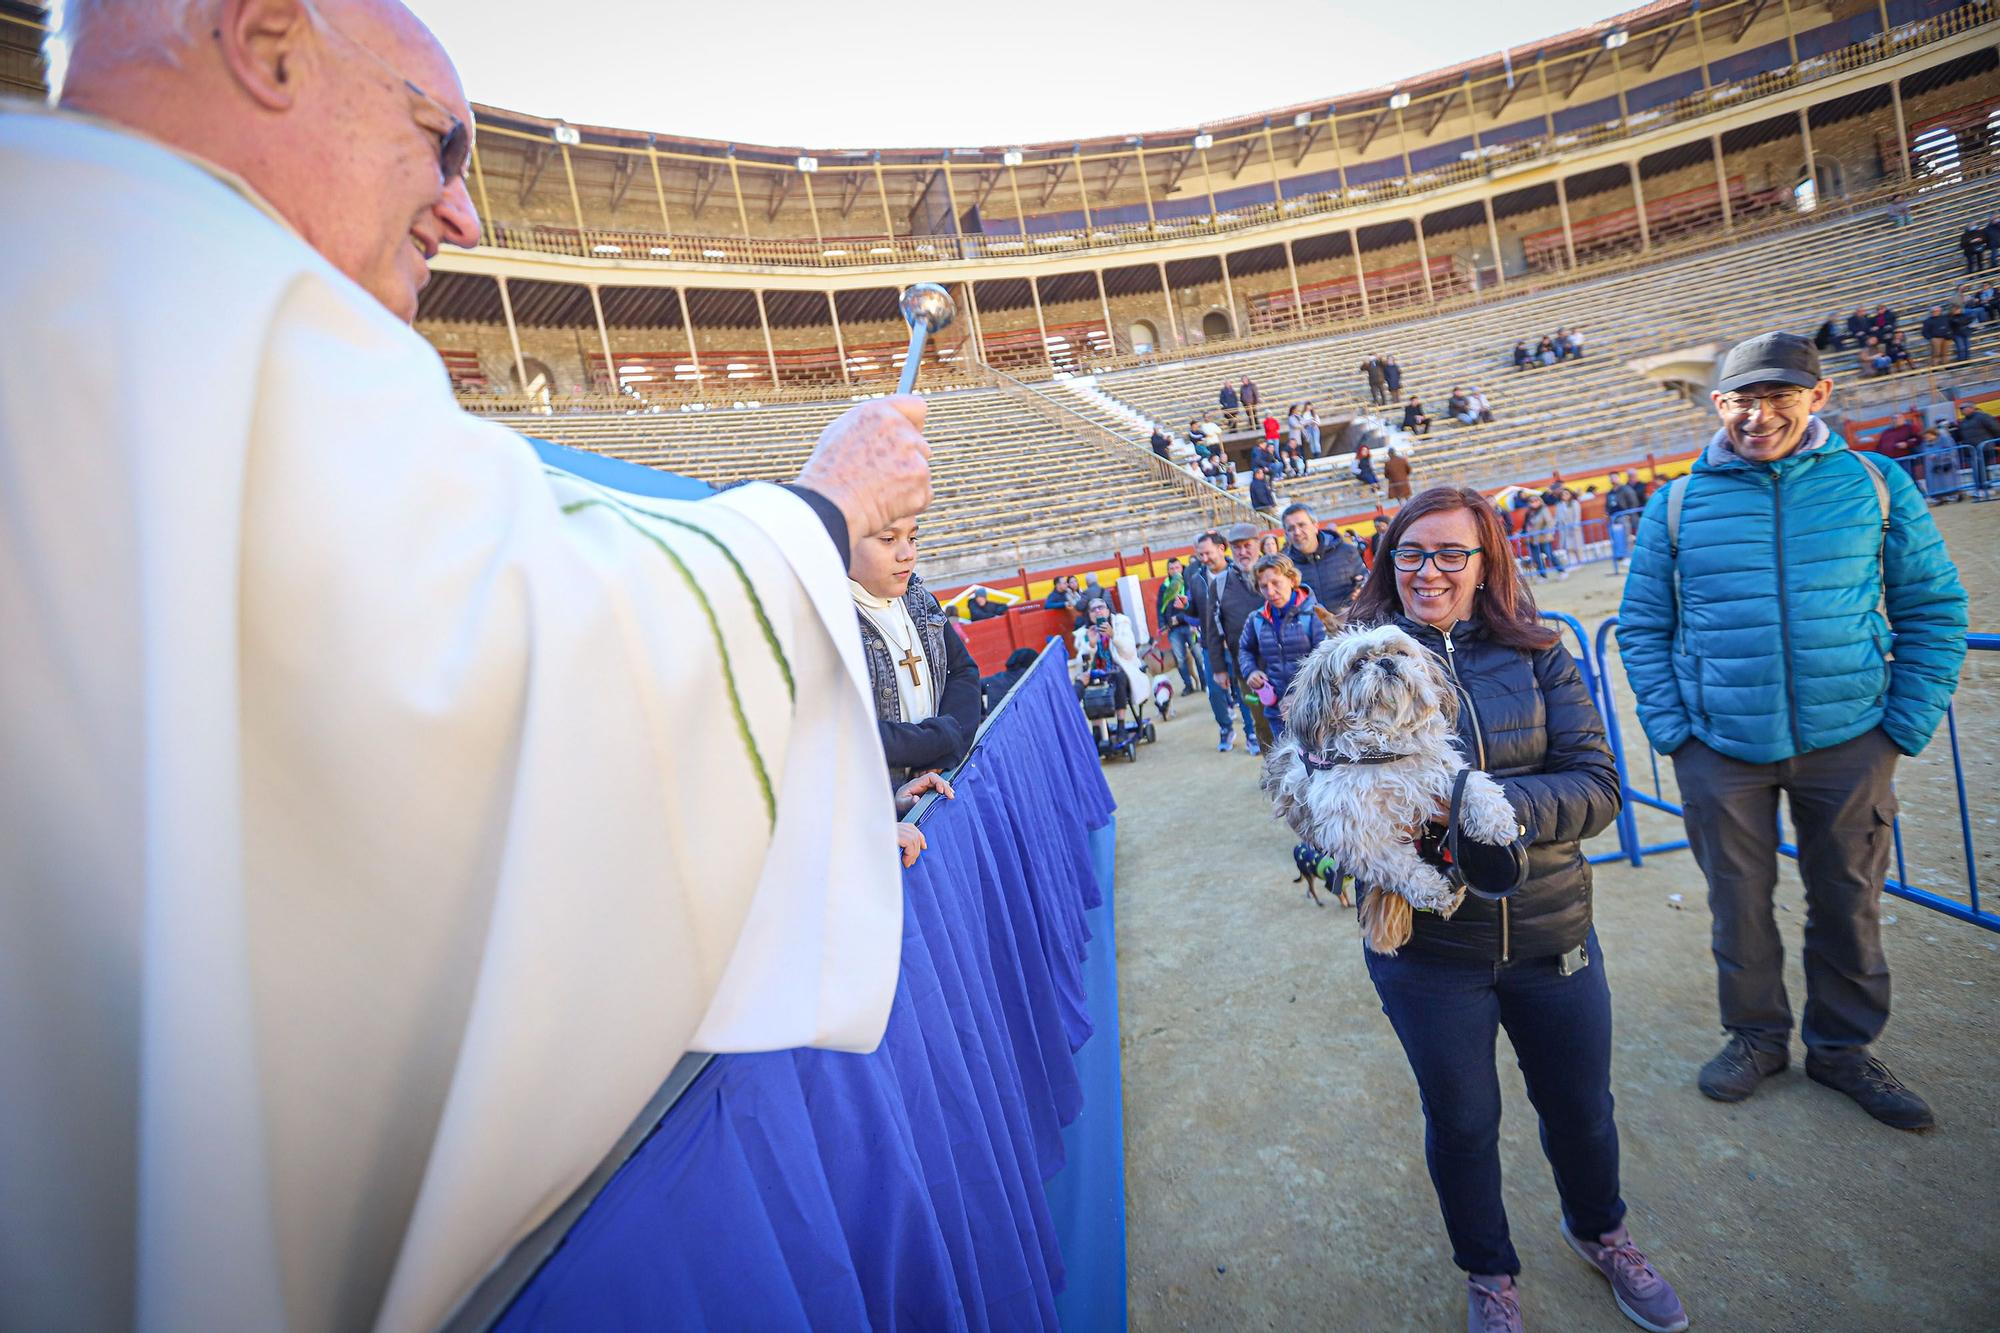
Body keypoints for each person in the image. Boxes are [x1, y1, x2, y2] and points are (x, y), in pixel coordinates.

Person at [1, 6, 935, 1330]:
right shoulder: (216, 299)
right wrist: (823, 512)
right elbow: (524, 672)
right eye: (437, 142)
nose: (463, 214)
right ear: (269, 44)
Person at [1348, 486, 1687, 1333]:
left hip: (1551, 932)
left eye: (1450, 553)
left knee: (1580, 1107)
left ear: (1486, 561)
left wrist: (1477, 807)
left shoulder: (1540, 654)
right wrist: (1337, 832)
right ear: (1391, 562)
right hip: (1427, 953)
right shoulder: (1354, 662)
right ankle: (1489, 1273)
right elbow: (1322, 785)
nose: (1429, 570)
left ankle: (1601, 1229)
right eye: (1411, 552)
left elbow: (1598, 785)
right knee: (1461, 1122)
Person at [1619, 332, 1967, 1132]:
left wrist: (1900, 727)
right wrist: (1679, 734)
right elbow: (1642, 625)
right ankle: (1756, 1037)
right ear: (1719, 405)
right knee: (1737, 904)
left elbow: (1934, 607)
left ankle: (1843, 1047)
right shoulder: (1677, 503)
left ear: (1819, 395)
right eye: (1743, 397)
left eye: (1780, 395)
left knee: (1848, 901)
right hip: (1722, 746)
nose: (1759, 414)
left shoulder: (1875, 484)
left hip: (1850, 738)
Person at [851, 518, 983, 782]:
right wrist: (937, 740)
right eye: (888, 539)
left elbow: (962, 671)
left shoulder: (919, 598)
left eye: (912, 539)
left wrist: (944, 755)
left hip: (939, 776)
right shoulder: (828, 622)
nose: (907, 554)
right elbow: (844, 733)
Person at [1235, 554, 1327, 738]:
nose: (1270, 592)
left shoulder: (1314, 614)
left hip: (1314, 709)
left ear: (1292, 580)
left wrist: (1300, 696)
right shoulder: (1256, 618)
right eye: (1263, 586)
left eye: (1276, 583)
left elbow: (1325, 660)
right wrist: (1251, 671)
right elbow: (1245, 649)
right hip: (1276, 710)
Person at [1198, 524, 1271, 754]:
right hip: (1246, 670)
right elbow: (1212, 630)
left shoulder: (1274, 575)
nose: (1242, 552)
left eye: (1247, 546)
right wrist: (1219, 668)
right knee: (1262, 723)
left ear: (1258, 545)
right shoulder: (1219, 584)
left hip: (1285, 662)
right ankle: (1276, 775)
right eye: (1237, 548)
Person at [1068, 596, 1149, 717]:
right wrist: (1091, 645)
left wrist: (1113, 636)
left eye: (1101, 607)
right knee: (1088, 686)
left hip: (1122, 669)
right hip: (1096, 673)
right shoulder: (1084, 633)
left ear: (1108, 610)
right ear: (1089, 615)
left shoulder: (1121, 623)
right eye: (1093, 609)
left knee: (1118, 676)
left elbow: (1129, 652)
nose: (1097, 611)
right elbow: (1081, 663)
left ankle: (1121, 723)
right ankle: (1098, 727)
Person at [1281, 501, 1366, 611]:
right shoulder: (1285, 566)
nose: (1297, 532)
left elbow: (1366, 581)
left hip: (1347, 623)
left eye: (1302, 525)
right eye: (1291, 529)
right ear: (1286, 534)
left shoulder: (1347, 552)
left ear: (1315, 526)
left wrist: (1361, 589)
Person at [1156, 555, 1202, 694]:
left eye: (1177, 567)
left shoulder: (1189, 582)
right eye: (1171, 568)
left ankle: (1205, 683)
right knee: (1180, 659)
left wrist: (1180, 618)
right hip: (1173, 628)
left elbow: (1195, 606)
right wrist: (1163, 624)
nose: (1175, 570)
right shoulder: (1164, 586)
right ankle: (1188, 686)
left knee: (1198, 654)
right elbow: (1160, 607)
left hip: (1190, 624)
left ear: (1182, 568)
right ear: (1168, 571)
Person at [981, 646, 1040, 714]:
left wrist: (982, 715)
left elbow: (974, 686)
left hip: (995, 722)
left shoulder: (994, 679)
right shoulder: (1030, 679)